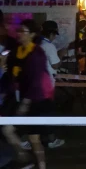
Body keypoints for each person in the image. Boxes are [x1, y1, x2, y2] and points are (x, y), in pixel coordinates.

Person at [2, 20, 54, 169]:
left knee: (33, 137)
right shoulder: (16, 50)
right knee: (8, 129)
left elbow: (36, 81)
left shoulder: (37, 54)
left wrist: (25, 103)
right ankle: (25, 158)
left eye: (23, 31)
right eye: (18, 31)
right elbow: (11, 75)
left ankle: (36, 163)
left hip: (37, 99)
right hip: (20, 97)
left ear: (32, 34)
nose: (19, 34)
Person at [24, 21, 65, 150]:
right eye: (54, 34)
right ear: (52, 33)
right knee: (47, 112)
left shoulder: (36, 44)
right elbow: (55, 65)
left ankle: (29, 139)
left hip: (33, 84)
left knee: (35, 113)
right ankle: (50, 140)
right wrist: (62, 55)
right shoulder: (49, 46)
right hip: (45, 86)